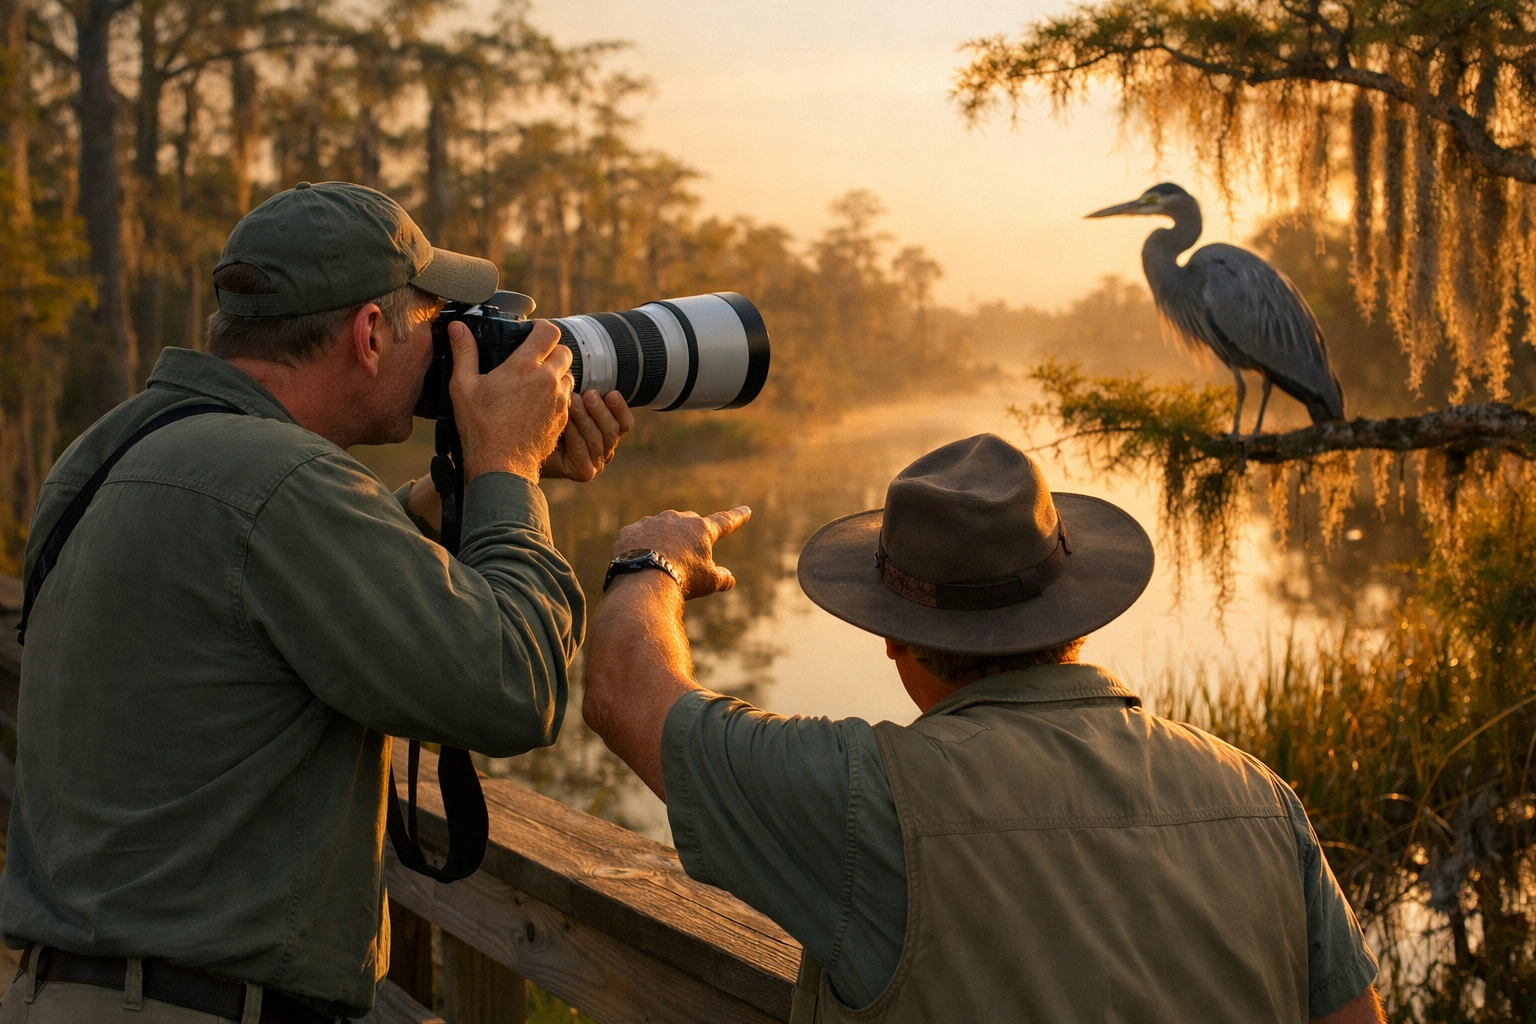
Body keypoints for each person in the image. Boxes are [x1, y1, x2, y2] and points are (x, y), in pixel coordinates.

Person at [0, 181, 633, 1023]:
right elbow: (515, 683)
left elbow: (262, 589)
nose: (446, 346)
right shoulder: (282, 482)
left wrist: (461, 494)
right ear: (371, 333)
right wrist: (510, 473)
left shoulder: (112, 449)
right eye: (431, 318)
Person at [583, 433, 1386, 1023]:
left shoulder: (866, 800)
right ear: (1075, 612)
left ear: (890, 636)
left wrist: (653, 560)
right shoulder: (1262, 801)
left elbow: (626, 690)